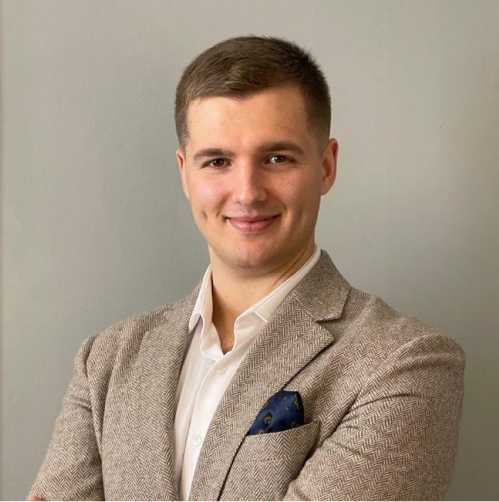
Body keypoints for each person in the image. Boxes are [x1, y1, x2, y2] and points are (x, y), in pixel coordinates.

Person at [28, 35, 465, 501]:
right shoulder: (106, 361)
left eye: (277, 158)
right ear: (185, 173)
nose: (247, 192)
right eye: (217, 161)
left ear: (326, 166)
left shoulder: (405, 363)